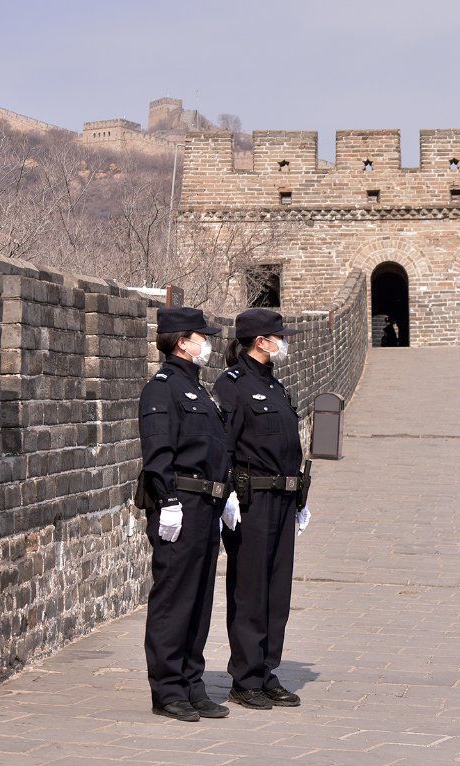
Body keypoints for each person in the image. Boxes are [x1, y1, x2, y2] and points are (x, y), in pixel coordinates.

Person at [137, 307, 230, 722]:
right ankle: (168, 689)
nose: (206, 343)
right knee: (174, 600)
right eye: (200, 336)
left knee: (199, 599)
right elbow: (158, 451)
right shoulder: (162, 389)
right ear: (181, 341)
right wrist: (168, 500)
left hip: (207, 505)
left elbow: (215, 446)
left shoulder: (198, 390)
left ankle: (193, 683)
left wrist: (225, 491)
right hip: (180, 503)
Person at [217, 308, 309, 711]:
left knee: (277, 591)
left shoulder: (276, 387)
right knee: (250, 589)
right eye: (278, 336)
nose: (283, 342)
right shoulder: (232, 385)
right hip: (251, 501)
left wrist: (300, 498)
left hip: (282, 500)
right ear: (260, 341)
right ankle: (245, 677)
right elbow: (223, 444)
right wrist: (228, 497)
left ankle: (267, 671)